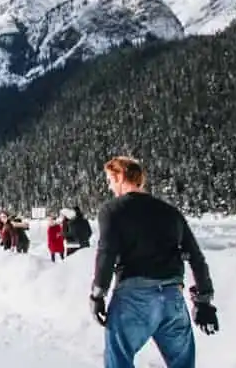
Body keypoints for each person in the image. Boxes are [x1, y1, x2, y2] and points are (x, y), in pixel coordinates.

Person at [89, 157, 219, 368]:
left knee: (119, 359)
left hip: (133, 298)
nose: (109, 186)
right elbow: (196, 256)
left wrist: (98, 294)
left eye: (110, 179)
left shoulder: (113, 210)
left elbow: (107, 253)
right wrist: (204, 300)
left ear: (120, 176)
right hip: (172, 298)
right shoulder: (170, 212)